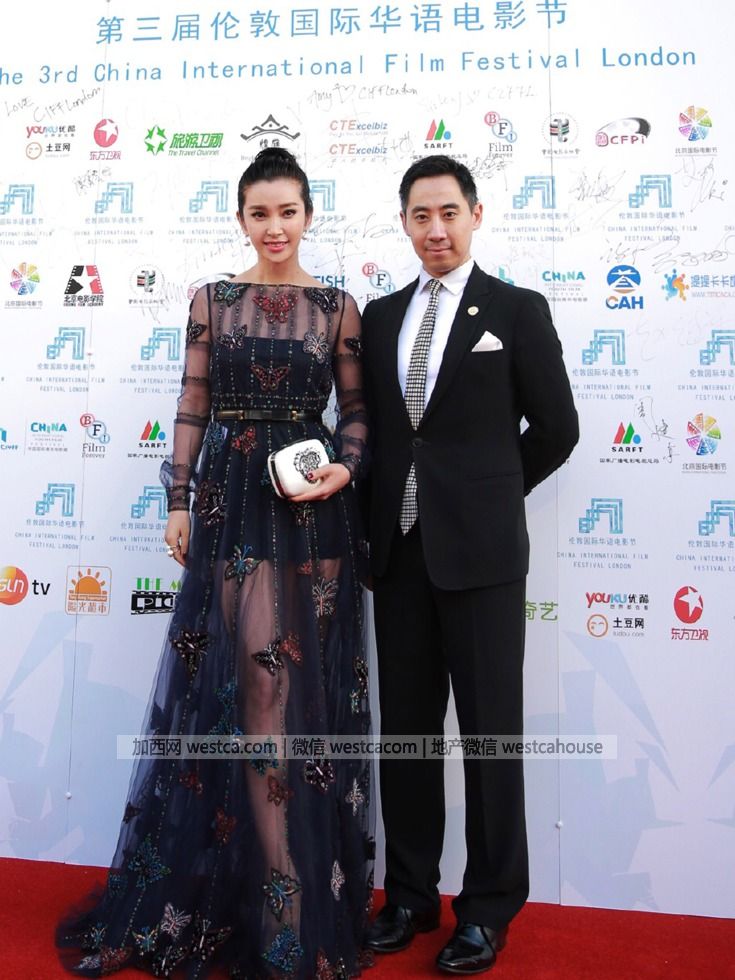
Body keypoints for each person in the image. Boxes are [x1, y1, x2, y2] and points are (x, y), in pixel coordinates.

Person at [57, 148, 374, 979]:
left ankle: (289, 900)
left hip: (309, 511)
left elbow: (357, 410)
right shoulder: (211, 301)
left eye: (288, 212)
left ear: (308, 215)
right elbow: (193, 400)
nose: (274, 227)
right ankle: (251, 895)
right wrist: (176, 497)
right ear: (241, 218)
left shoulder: (338, 307)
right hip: (231, 504)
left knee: (288, 705)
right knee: (241, 698)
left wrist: (345, 467)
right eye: (259, 213)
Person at [361, 155, 578, 975]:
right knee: (407, 737)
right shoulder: (380, 318)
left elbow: (556, 428)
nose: (435, 229)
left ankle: (487, 909)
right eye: (420, 215)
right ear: (404, 223)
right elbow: (382, 434)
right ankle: (409, 895)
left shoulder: (516, 311)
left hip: (482, 560)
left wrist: (485, 496)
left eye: (448, 212)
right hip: (399, 556)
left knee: (489, 737)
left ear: (475, 215)